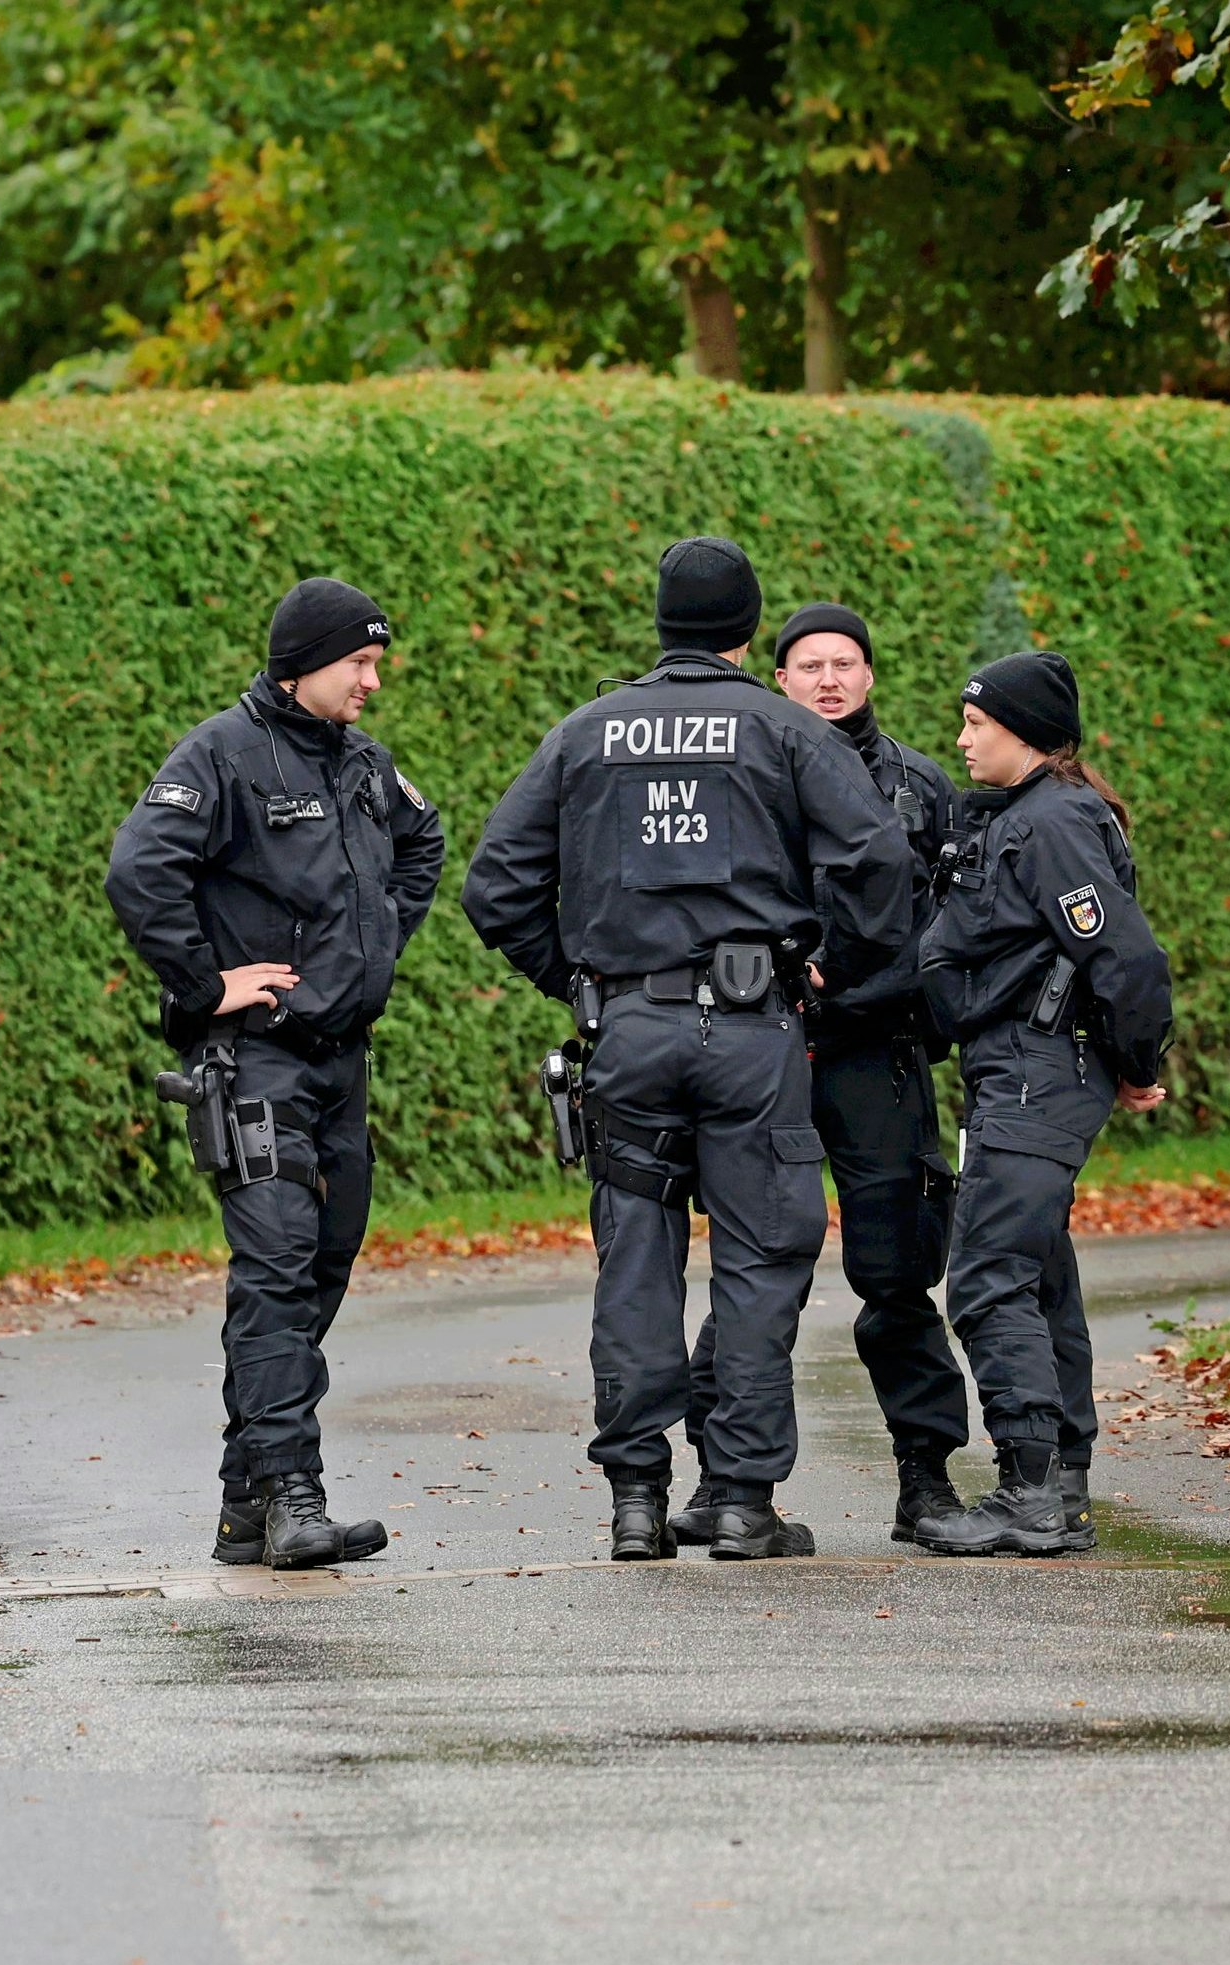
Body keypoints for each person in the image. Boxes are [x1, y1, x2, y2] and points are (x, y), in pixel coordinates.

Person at [459, 539, 913, 1562]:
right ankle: (743, 1500)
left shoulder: (587, 732)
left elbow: (495, 887)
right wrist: (829, 960)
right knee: (759, 1258)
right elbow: (879, 857)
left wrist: (582, 985)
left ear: (660, 624)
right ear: (750, 633)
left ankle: (633, 1499)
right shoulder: (784, 729)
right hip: (752, 1034)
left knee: (636, 1260)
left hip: (628, 1032)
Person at [105, 577, 444, 1570]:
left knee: (320, 1265)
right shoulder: (221, 756)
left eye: (376, 662)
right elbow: (140, 870)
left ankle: (243, 1505)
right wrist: (203, 983)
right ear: (303, 665)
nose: (373, 681)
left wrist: (370, 950)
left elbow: (421, 846)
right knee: (277, 1269)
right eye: (361, 663)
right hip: (251, 1062)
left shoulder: (365, 766)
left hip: (340, 1067)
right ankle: (294, 1500)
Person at [666, 602, 973, 1549]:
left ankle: (926, 1481)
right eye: (809, 665)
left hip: (877, 1050)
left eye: (846, 663)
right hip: (767, 1050)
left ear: (870, 676)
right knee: (758, 1272)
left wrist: (878, 985)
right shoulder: (742, 768)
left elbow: (955, 926)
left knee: (897, 1275)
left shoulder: (921, 786)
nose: (829, 679)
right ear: (779, 677)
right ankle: (726, 1478)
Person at [915, 650, 1174, 1559]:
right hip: (1023, 1069)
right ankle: (1060, 1484)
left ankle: (1027, 1491)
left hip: (1037, 1070)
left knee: (987, 1277)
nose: (961, 739)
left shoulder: (1053, 822)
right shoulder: (1031, 816)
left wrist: (1136, 1060)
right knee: (1039, 1275)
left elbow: (1129, 961)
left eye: (974, 723)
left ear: (1020, 731)